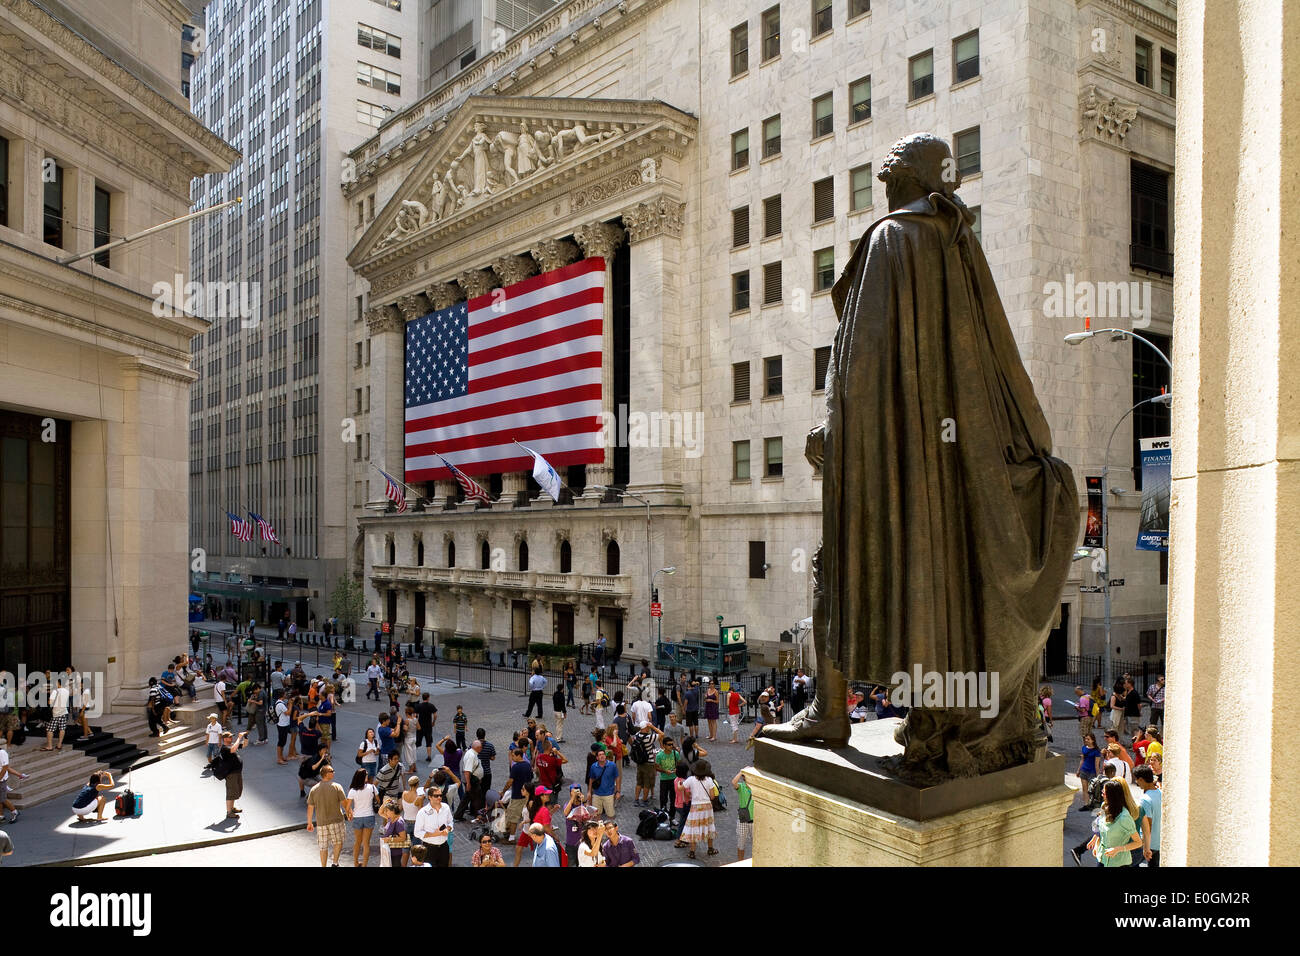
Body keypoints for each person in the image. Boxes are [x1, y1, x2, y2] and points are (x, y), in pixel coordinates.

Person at [1092, 778, 1143, 867]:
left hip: (1119, 863)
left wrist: (1118, 849)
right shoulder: (1104, 806)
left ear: (1111, 796)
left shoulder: (1124, 818)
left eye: (1104, 793)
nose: (1101, 794)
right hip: (1102, 858)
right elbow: (1101, 829)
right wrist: (1096, 843)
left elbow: (1138, 842)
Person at [306, 764, 348, 867]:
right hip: (336, 820)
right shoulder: (337, 786)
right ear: (326, 774)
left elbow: (310, 807)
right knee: (338, 842)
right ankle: (335, 862)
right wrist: (349, 812)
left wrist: (310, 822)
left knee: (323, 847)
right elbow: (345, 803)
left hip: (321, 822)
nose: (334, 772)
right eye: (331, 771)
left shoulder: (314, 789)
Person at [680, 759, 719, 859]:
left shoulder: (691, 779)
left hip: (695, 808)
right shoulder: (709, 780)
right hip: (707, 808)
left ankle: (692, 852)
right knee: (709, 826)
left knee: (694, 828)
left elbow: (681, 788)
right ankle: (710, 849)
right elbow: (712, 796)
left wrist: (680, 784)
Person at [414, 786, 454, 866]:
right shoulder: (422, 812)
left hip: (444, 846)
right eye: (436, 796)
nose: (439, 797)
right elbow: (417, 832)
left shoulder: (446, 807)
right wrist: (434, 834)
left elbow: (450, 822)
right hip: (429, 849)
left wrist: (448, 829)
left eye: (440, 795)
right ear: (429, 797)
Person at [345, 768, 378, 866]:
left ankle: (355, 863)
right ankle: (364, 865)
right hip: (369, 816)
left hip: (357, 817)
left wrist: (349, 815)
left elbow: (347, 807)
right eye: (366, 775)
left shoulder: (353, 791)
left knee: (357, 842)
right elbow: (378, 800)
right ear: (364, 777)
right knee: (366, 843)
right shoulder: (372, 787)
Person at [215, 731, 249, 818]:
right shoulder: (224, 748)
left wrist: (245, 737)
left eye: (232, 737)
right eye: (230, 737)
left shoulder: (231, 745)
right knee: (231, 792)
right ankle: (229, 812)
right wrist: (239, 738)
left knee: (236, 790)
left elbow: (244, 745)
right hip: (231, 774)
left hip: (237, 772)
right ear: (225, 739)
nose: (231, 738)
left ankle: (232, 808)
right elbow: (233, 749)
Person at [1133, 764, 1161, 867]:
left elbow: (1147, 827)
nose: (1136, 783)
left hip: (1148, 844)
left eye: (1136, 780)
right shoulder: (1161, 793)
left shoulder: (1145, 799)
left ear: (1141, 779)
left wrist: (1145, 847)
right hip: (1158, 842)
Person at [630, 721, 664, 807]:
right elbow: (661, 734)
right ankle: (644, 800)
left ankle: (636, 799)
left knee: (639, 782)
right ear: (646, 728)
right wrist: (653, 727)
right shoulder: (648, 737)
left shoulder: (637, 735)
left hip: (640, 762)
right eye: (648, 727)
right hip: (649, 763)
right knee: (647, 783)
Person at [503, 746, 532, 837]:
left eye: (513, 756)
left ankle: (511, 837)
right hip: (526, 795)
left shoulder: (515, 767)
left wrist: (504, 791)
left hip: (517, 796)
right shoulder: (528, 765)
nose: (512, 758)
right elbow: (530, 778)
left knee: (513, 818)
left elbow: (510, 782)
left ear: (519, 755)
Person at [563, 785, 595, 865]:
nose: (576, 793)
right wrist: (572, 798)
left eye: (578, 791)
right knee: (570, 864)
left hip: (583, 842)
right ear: (570, 793)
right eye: (574, 791)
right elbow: (566, 813)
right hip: (571, 843)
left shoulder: (582, 804)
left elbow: (588, 814)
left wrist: (583, 802)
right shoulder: (568, 804)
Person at [588, 748, 619, 820]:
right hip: (597, 794)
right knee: (596, 815)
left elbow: (617, 778)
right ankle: (599, 829)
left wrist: (618, 791)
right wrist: (589, 792)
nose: (602, 756)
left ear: (605, 756)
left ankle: (610, 829)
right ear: (597, 758)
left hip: (609, 795)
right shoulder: (593, 766)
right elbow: (591, 779)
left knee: (610, 815)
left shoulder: (612, 765)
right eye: (600, 755)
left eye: (603, 754)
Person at [378, 797, 409, 868]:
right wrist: (384, 803)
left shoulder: (399, 822)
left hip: (395, 853)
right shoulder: (390, 818)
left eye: (387, 811)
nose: (385, 812)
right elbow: (380, 812)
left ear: (393, 811)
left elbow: (403, 838)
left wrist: (389, 839)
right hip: (389, 851)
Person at [1076, 733, 1102, 811]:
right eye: (1086, 739)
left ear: (1093, 740)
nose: (1086, 740)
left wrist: (1098, 776)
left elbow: (1097, 764)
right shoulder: (1084, 748)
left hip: (1092, 772)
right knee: (1085, 788)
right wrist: (1078, 770)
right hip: (1084, 770)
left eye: (1088, 739)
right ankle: (1086, 804)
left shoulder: (1096, 751)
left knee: (1092, 790)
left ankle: (1092, 804)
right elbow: (1082, 760)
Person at [733, 770, 754, 861]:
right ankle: (740, 862)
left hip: (755, 820)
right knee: (741, 844)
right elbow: (734, 782)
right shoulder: (741, 787)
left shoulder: (756, 789)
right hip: (743, 820)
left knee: (756, 845)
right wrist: (741, 771)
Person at [414, 693, 438, 763]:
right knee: (428, 741)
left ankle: (413, 755)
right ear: (428, 698)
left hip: (420, 726)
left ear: (422, 698)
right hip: (428, 726)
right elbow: (435, 715)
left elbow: (415, 715)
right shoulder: (431, 706)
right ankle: (429, 756)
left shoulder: (419, 706)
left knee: (418, 741)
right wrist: (433, 722)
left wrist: (417, 724)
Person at [273, 691, 293, 765]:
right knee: (281, 742)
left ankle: (281, 757)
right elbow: (288, 713)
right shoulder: (280, 704)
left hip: (283, 724)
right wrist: (290, 704)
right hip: (282, 725)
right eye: (285, 694)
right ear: (282, 695)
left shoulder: (280, 702)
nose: (286, 695)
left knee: (283, 741)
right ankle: (279, 758)